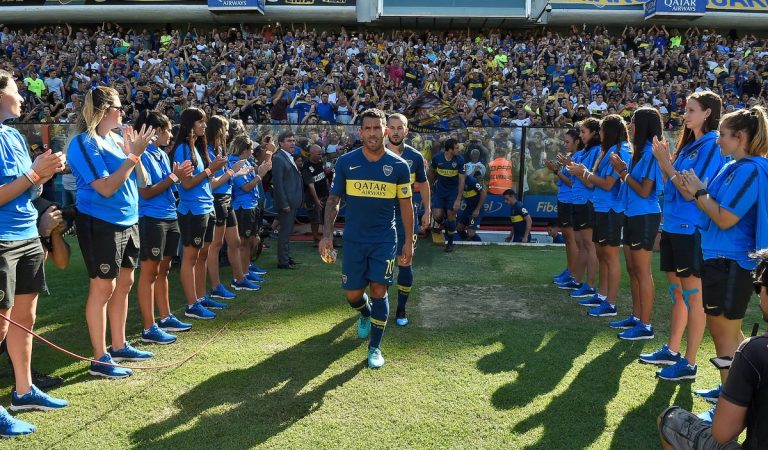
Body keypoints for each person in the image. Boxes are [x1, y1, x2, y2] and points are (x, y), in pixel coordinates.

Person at [678, 105, 768, 423]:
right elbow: (709, 204)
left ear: (740, 137)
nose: (719, 141)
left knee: (724, 338)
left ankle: (730, 409)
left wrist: (700, 192)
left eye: (725, 136)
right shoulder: (734, 165)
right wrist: (697, 193)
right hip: (719, 260)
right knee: (731, 334)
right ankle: (742, 394)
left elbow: (726, 217)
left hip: (731, 263)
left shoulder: (751, 169)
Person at [67, 86, 156, 378]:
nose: (123, 112)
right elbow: (104, 188)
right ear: (104, 110)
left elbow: (143, 183)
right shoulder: (83, 142)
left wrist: (135, 155)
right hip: (99, 221)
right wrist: (132, 158)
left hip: (128, 220)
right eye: (118, 107)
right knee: (103, 287)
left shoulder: (118, 140)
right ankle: (100, 357)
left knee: (125, 283)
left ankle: (118, 345)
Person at [0, 68, 67, 437]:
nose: (22, 96)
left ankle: (23, 391)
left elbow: (27, 189)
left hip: (26, 235)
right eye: (15, 88)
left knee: (25, 319)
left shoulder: (12, 134)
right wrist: (32, 176)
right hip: (2, 240)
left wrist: (44, 172)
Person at [319, 108, 414, 369]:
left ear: (385, 131)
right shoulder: (346, 162)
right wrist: (327, 234)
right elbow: (334, 201)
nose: (372, 133)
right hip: (353, 240)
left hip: (384, 239)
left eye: (377, 128)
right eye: (367, 128)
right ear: (361, 132)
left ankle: (375, 347)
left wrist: (408, 242)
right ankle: (364, 313)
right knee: (352, 295)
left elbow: (406, 207)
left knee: (379, 289)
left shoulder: (399, 167)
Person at [642, 91, 725, 382]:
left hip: (691, 229)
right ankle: (673, 350)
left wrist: (666, 163)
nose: (685, 115)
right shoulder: (690, 144)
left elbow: (691, 191)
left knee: (693, 297)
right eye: (685, 109)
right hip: (674, 226)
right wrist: (666, 162)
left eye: (691, 110)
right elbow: (672, 183)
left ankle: (689, 364)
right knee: (677, 293)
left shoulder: (712, 144)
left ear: (707, 113)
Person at [657, 248, 768, 450]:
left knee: (670, 420)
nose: (759, 294)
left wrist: (746, 392)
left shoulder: (754, 351)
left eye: (759, 286)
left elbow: (723, 432)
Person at [135, 110, 194, 345]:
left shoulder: (160, 153)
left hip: (169, 215)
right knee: (149, 272)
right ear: (156, 131)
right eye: (168, 130)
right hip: (151, 217)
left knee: (164, 269)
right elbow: (146, 192)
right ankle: (149, 328)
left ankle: (165, 316)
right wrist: (175, 177)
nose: (171, 135)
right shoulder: (141, 154)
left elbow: (168, 183)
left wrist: (176, 177)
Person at [568, 115, 631, 320]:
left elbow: (607, 183)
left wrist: (583, 172)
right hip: (601, 207)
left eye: (602, 131)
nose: (599, 135)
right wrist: (585, 172)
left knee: (610, 257)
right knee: (602, 254)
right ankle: (602, 295)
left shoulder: (621, 151)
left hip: (612, 209)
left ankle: (610, 303)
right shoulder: (610, 150)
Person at [170, 108, 230, 320]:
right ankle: (192, 304)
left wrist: (218, 170)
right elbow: (185, 184)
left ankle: (201, 297)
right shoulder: (183, 149)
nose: (205, 125)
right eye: (200, 122)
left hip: (206, 206)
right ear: (190, 124)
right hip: (192, 209)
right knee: (191, 257)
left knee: (202, 255)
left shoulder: (198, 147)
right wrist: (210, 170)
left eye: (204, 122)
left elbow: (207, 181)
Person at [609, 107, 664, 341]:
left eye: (633, 121)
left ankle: (646, 325)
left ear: (643, 126)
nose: (630, 125)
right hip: (633, 214)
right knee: (633, 269)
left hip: (645, 216)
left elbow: (644, 190)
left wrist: (622, 173)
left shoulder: (651, 152)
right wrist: (624, 170)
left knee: (642, 271)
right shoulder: (638, 152)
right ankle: (636, 316)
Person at [204, 115, 259, 301]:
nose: (227, 133)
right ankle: (216, 286)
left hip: (227, 199)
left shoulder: (219, 149)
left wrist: (236, 172)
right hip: (218, 199)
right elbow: (212, 182)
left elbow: (226, 176)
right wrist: (232, 171)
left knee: (235, 242)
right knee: (216, 245)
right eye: (225, 129)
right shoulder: (207, 151)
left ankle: (239, 278)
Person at [386, 113, 430, 327]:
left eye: (399, 128)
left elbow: (424, 183)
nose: (395, 131)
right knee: (380, 264)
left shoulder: (415, 156)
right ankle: (378, 307)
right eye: (391, 127)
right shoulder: (375, 154)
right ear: (386, 130)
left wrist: (428, 211)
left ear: (406, 131)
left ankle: (401, 308)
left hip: (407, 216)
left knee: (405, 261)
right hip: (381, 216)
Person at [556, 119, 601, 308]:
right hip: (578, 200)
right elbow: (579, 176)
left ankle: (590, 285)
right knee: (582, 244)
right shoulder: (587, 152)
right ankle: (577, 279)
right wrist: (570, 166)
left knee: (589, 245)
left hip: (587, 201)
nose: (581, 135)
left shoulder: (597, 151)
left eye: (584, 132)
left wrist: (574, 169)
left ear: (594, 133)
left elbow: (590, 179)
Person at [547, 128, 594, 298]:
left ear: (577, 142)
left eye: (568, 141)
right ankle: (571, 271)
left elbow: (573, 182)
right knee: (569, 239)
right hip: (567, 199)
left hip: (572, 200)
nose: (565, 144)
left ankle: (574, 273)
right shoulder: (574, 157)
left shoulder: (579, 156)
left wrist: (557, 171)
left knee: (574, 240)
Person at [230, 135, 272, 283]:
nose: (253, 152)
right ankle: (242, 275)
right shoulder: (233, 163)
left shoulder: (246, 162)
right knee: (244, 242)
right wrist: (260, 175)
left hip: (251, 206)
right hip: (242, 207)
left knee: (251, 241)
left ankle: (246, 269)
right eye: (251, 149)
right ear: (245, 149)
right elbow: (246, 187)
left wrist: (266, 161)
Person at [271, 130, 304, 269]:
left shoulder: (288, 156)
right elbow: (277, 183)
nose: (292, 143)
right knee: (284, 233)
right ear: (281, 143)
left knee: (287, 231)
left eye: (293, 140)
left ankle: (286, 257)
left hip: (292, 201)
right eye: (289, 141)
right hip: (287, 203)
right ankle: (283, 262)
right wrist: (284, 204)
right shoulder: (278, 158)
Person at [430, 138, 465, 252]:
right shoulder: (437, 158)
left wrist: (458, 199)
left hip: (453, 192)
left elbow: (462, 181)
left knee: (451, 214)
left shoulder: (459, 160)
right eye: (456, 148)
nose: (458, 149)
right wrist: (429, 188)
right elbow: (431, 173)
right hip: (439, 191)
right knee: (436, 216)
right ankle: (449, 226)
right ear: (449, 149)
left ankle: (450, 243)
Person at [302, 143, 330, 246]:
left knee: (326, 217)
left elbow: (324, 175)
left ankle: (326, 237)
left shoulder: (320, 162)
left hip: (324, 194)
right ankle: (315, 237)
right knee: (315, 219)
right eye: (319, 154)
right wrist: (316, 200)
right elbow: (310, 185)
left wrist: (328, 170)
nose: (321, 156)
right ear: (312, 153)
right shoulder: (306, 166)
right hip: (313, 197)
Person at [457, 174, 487, 242]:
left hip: (476, 209)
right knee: (459, 228)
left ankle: (480, 245)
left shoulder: (471, 181)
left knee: (470, 233)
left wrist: (477, 209)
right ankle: (467, 243)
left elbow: (483, 193)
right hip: (468, 209)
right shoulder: (457, 181)